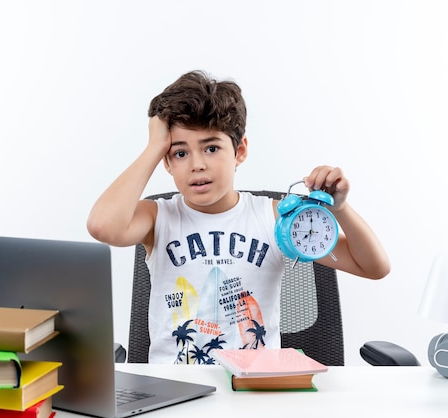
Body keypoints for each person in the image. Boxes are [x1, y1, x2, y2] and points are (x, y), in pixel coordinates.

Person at [87, 70, 390, 364]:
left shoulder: (272, 217)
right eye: (180, 153)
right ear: (166, 162)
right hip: (177, 390)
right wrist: (155, 146)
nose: (197, 165)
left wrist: (340, 210)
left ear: (240, 150)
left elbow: (374, 267)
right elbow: (102, 226)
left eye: (212, 148)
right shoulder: (157, 218)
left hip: (254, 389)